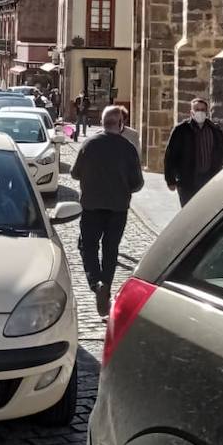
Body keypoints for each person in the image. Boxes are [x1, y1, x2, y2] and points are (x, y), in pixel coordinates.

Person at [71, 105, 144, 317]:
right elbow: (137, 182)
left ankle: (96, 284)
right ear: (120, 125)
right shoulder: (127, 147)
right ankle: (106, 287)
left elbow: (75, 173)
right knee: (110, 250)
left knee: (88, 246)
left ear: (103, 123)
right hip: (118, 208)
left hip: (92, 205)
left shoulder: (89, 144)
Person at [164, 97, 223, 207]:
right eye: (197, 109)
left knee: (206, 211)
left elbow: (222, 154)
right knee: (189, 212)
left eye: (203, 110)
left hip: (209, 180)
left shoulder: (215, 130)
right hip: (188, 181)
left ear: (207, 112)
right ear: (191, 112)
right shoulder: (181, 130)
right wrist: (170, 180)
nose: (200, 112)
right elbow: (170, 156)